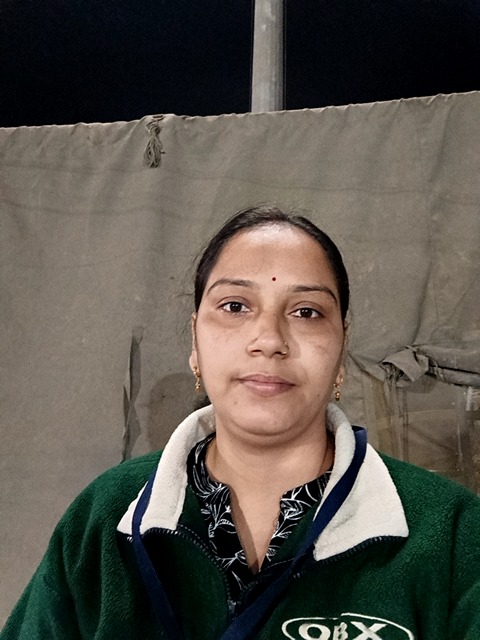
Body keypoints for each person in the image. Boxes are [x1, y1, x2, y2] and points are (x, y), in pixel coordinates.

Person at [2, 205, 480, 640]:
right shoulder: (105, 518)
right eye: (235, 306)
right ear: (195, 341)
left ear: (341, 348)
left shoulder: (454, 533)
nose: (269, 339)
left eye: (306, 312)